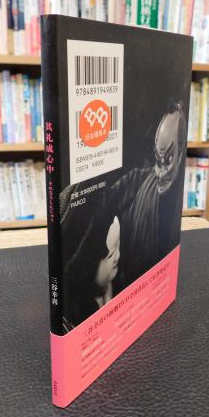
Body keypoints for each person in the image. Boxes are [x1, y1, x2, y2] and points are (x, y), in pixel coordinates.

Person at [109, 103, 187, 284]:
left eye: (168, 160)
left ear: (182, 153)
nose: (160, 173)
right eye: (158, 161)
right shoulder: (136, 181)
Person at [61, 208, 123, 332]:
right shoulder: (78, 310)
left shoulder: (117, 284)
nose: (118, 256)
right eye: (110, 255)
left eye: (118, 245)